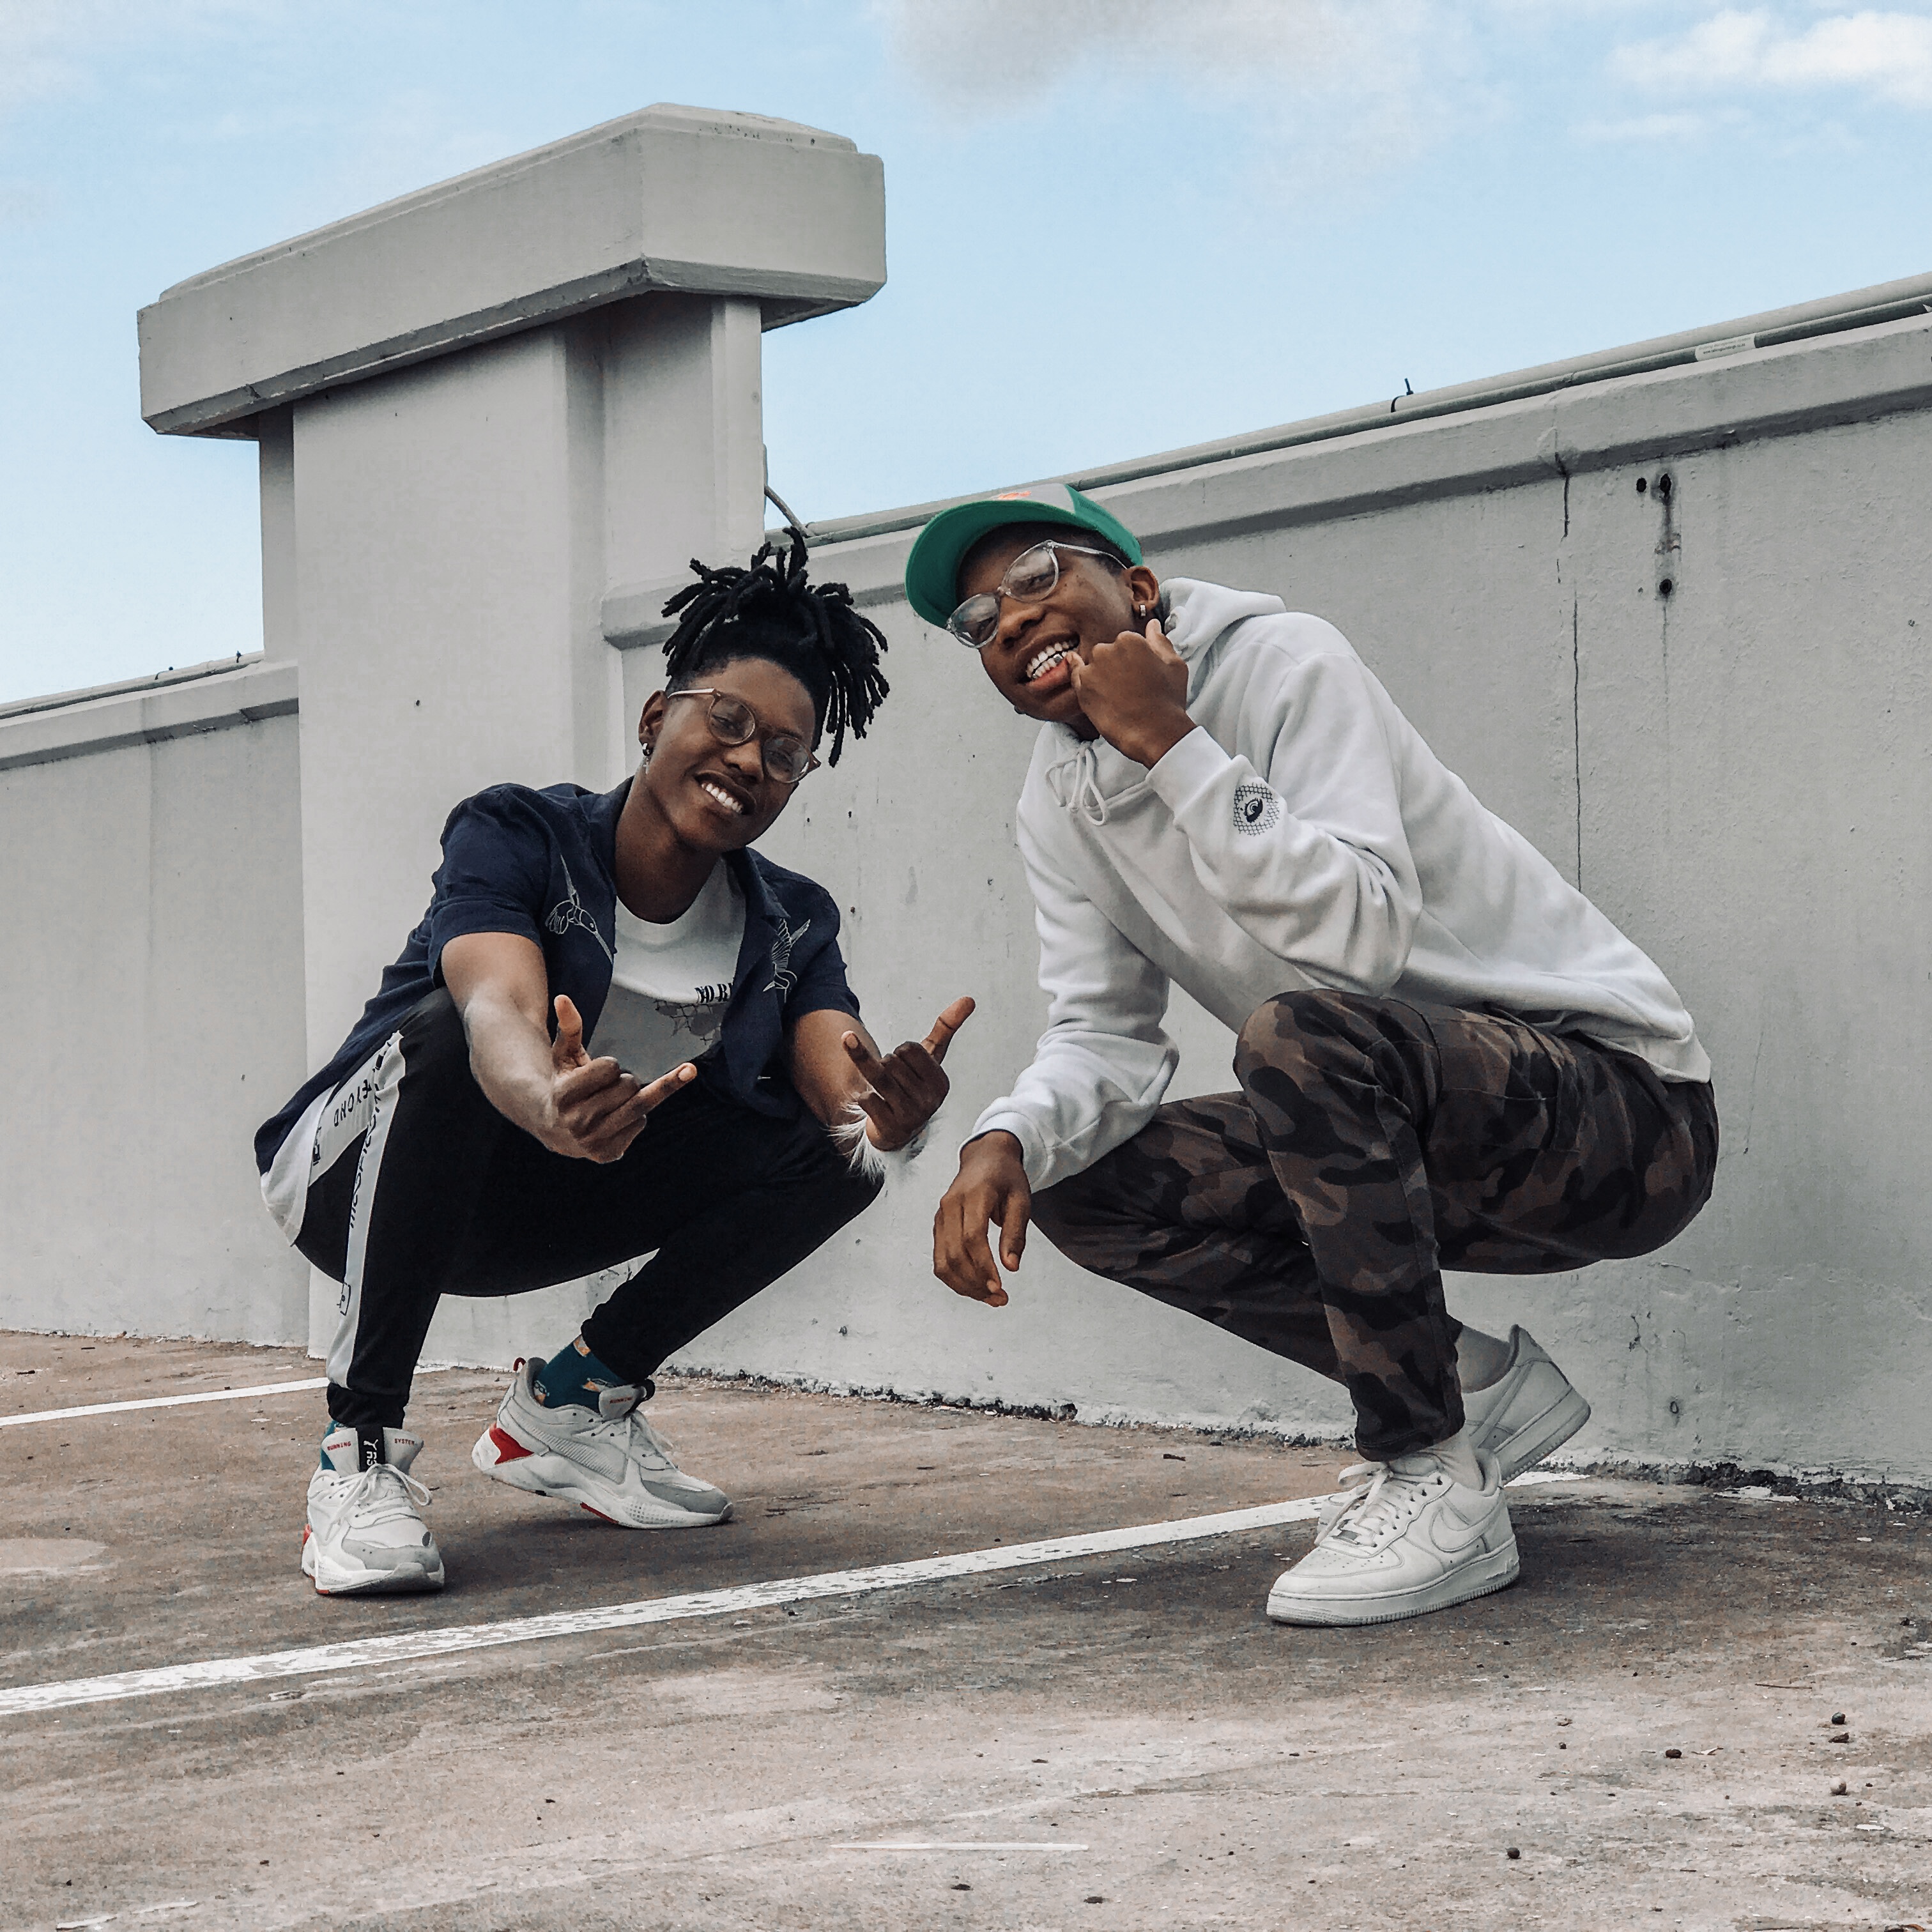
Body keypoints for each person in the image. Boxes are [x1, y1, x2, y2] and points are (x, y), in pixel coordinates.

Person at [907, 484, 1717, 1629]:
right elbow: (1103, 1033)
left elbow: (1361, 936)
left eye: (1038, 574)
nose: (1013, 618)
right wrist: (1007, 1136)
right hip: (1415, 1142)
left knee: (1297, 1038)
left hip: (1626, 1120)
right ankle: (1470, 1391)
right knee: (1082, 1179)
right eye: (980, 620)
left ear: (1137, 587)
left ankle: (1431, 1472)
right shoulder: (1058, 802)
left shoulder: (1286, 663)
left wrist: (1173, 744)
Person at [257, 533, 970, 1596]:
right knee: (445, 1034)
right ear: (655, 719)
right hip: (351, 1176)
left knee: (839, 1151)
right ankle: (356, 1453)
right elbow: (493, 1006)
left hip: (530, 1202)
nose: (749, 761)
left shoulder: (790, 922)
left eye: (785, 753)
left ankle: (575, 1405)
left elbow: (840, 1081)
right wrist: (545, 1096)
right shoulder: (521, 833)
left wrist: (890, 1118)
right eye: (727, 720)